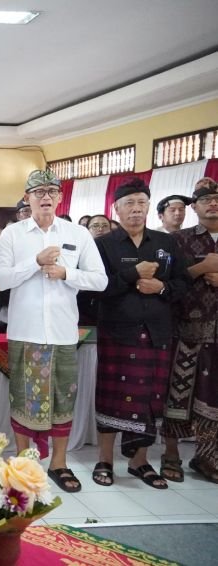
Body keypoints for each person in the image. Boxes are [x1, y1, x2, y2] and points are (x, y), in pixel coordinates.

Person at [0, 169, 107, 493]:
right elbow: (1, 280)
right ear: (27, 198)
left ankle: (59, 463)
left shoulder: (77, 234)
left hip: (62, 333)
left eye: (51, 191)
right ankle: (24, 462)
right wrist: (35, 261)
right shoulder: (13, 235)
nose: (45, 196)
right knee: (23, 399)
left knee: (62, 399)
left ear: (59, 197)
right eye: (38, 191)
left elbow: (100, 280)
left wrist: (67, 273)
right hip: (25, 332)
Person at [92, 178, 188, 490]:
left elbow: (183, 283)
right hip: (118, 332)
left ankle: (140, 461)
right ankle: (105, 459)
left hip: (157, 331)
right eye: (129, 204)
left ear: (149, 207)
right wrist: (132, 275)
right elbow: (97, 288)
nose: (136, 209)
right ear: (116, 209)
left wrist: (161, 287)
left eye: (141, 203)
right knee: (111, 398)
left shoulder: (165, 243)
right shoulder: (104, 245)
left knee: (151, 399)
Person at [161, 177, 218, 483]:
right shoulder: (179, 240)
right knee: (178, 393)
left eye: (217, 198)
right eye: (206, 199)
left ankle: (208, 457)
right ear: (194, 207)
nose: (213, 203)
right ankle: (171, 454)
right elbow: (168, 282)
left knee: (215, 399)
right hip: (186, 329)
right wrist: (203, 267)